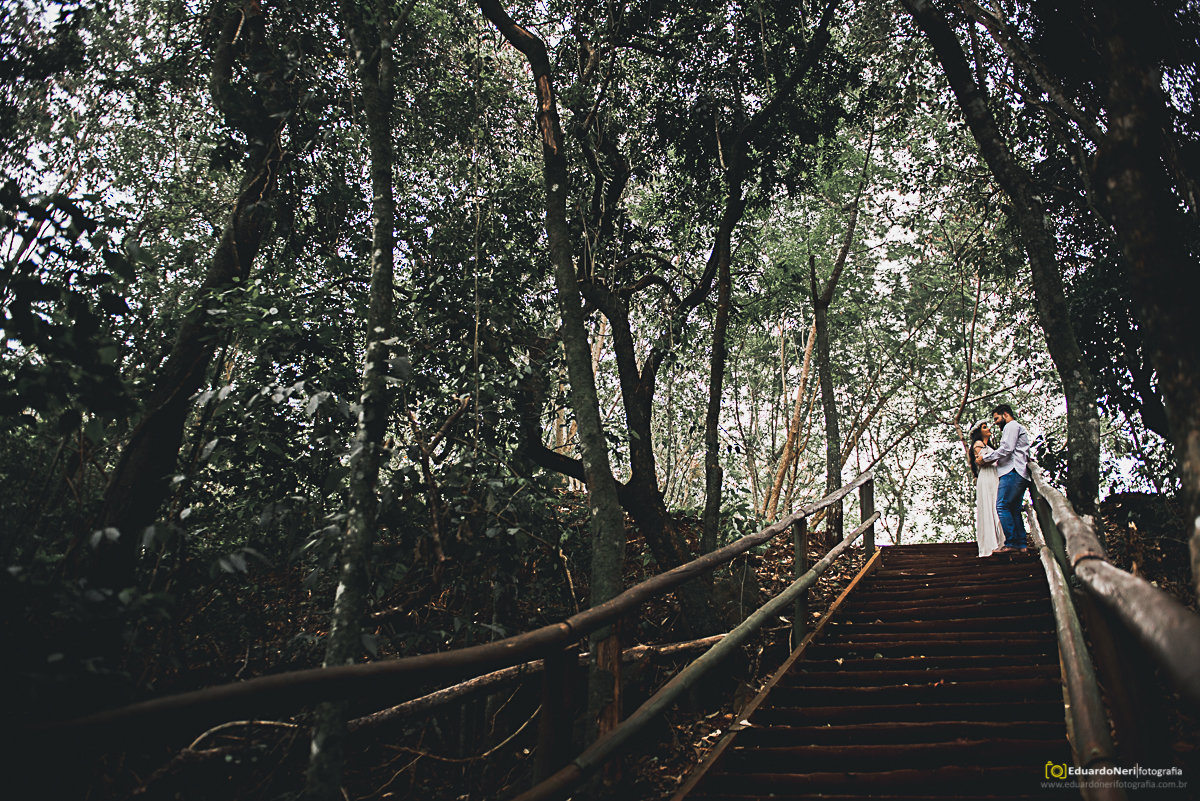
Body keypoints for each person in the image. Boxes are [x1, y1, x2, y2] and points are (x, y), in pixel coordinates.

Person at [978, 404, 1031, 553]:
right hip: (1020, 473)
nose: (995, 422)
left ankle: (1012, 543)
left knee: (1002, 506)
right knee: (1014, 509)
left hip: (1012, 471)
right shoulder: (1016, 428)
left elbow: (1007, 448)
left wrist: (985, 458)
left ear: (1005, 414)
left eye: (996, 418)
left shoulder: (1011, 426)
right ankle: (1021, 545)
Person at [968, 420, 1004, 557]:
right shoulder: (978, 444)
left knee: (997, 505)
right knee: (992, 505)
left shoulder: (988, 446)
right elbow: (981, 462)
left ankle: (1001, 541)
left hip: (994, 475)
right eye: (985, 427)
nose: (988, 428)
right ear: (979, 432)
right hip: (988, 476)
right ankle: (992, 544)